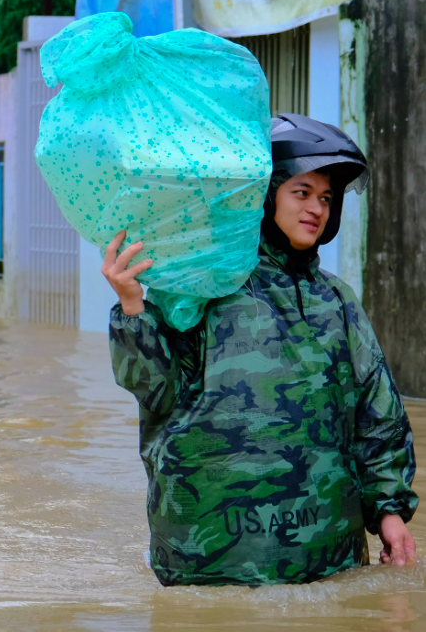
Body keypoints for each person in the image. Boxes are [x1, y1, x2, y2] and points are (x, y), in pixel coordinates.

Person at [104, 114, 418, 586]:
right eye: (302, 192)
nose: (317, 208)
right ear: (265, 196)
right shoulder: (206, 287)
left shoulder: (337, 301)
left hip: (328, 561)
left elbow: (378, 416)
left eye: (327, 198)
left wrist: (389, 514)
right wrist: (132, 307)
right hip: (212, 562)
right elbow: (157, 392)